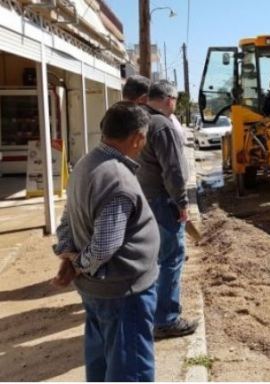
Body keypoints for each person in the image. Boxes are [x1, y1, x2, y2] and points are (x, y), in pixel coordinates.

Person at [52, 101, 160, 381]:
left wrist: (67, 254)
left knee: (102, 362)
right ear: (137, 137)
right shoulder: (117, 180)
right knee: (130, 369)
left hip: (98, 290)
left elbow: (66, 220)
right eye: (145, 137)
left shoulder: (87, 164)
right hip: (123, 292)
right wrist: (78, 264)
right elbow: (104, 246)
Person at [137, 80, 198, 339]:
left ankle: (154, 314)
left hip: (146, 199)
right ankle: (166, 320)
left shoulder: (140, 120)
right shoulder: (161, 126)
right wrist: (182, 203)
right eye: (174, 100)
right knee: (172, 258)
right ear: (169, 99)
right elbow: (172, 170)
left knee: (156, 258)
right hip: (163, 201)